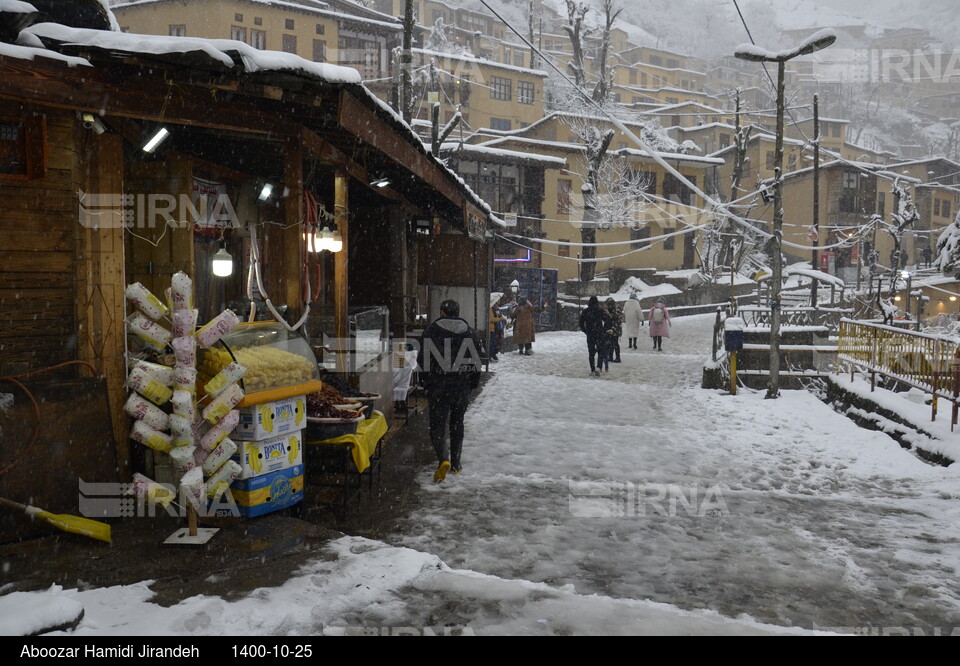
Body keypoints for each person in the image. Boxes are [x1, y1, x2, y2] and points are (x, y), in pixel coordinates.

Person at [418, 299, 481, 482]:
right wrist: (472, 384)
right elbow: (476, 361)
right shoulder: (470, 333)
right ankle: (456, 464)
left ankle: (443, 459)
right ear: (458, 312)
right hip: (461, 387)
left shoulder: (431, 331)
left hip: (438, 387)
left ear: (442, 313)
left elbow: (423, 360)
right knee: (457, 424)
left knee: (437, 426)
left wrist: (426, 384)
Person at [578, 295, 609, 376]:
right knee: (600, 351)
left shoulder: (585, 311)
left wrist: (586, 331)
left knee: (591, 353)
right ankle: (598, 367)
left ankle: (592, 369)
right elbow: (607, 320)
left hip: (590, 334)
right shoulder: (600, 311)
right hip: (599, 334)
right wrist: (604, 330)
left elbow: (581, 323)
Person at [605, 297, 623, 362]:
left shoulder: (616, 308)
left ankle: (618, 357)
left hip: (616, 328)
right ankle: (611, 356)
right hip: (613, 327)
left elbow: (615, 317)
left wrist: (608, 314)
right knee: (611, 343)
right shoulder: (614, 307)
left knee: (615, 343)